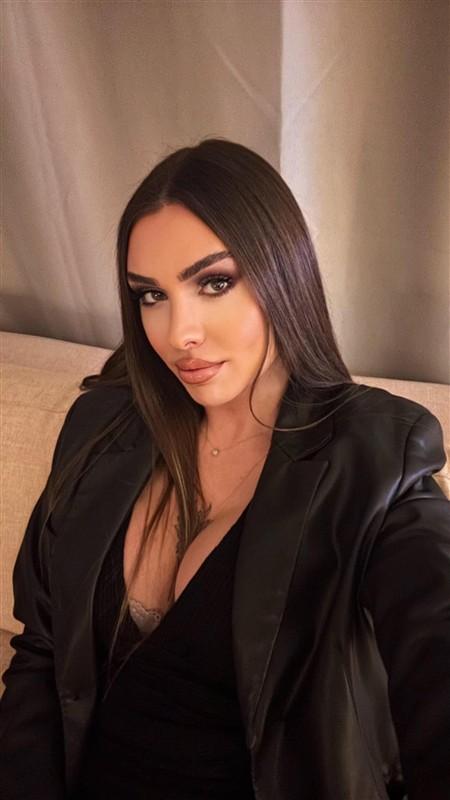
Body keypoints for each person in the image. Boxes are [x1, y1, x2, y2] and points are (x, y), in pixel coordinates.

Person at [0, 138, 449, 800]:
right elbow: (40, 650)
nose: (178, 333)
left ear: (283, 274)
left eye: (214, 283)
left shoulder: (375, 460)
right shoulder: (102, 425)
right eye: (151, 295)